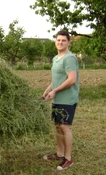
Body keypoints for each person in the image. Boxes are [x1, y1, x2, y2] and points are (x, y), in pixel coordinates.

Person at [42, 29, 79, 171]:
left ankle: (68, 159)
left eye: (64, 40)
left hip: (67, 99)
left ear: (69, 42)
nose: (60, 42)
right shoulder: (55, 58)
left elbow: (71, 80)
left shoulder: (69, 58)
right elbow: (57, 79)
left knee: (64, 127)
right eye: (58, 40)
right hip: (57, 98)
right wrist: (48, 90)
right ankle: (59, 153)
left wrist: (55, 91)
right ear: (55, 42)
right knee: (57, 125)